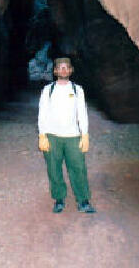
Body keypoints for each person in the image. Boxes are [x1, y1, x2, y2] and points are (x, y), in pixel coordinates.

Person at [38, 57, 96, 213]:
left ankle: (83, 200)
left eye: (66, 67)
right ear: (55, 71)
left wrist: (85, 134)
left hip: (73, 136)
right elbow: (42, 113)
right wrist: (42, 135)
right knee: (54, 169)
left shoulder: (77, 90)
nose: (63, 70)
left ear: (71, 70)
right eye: (60, 68)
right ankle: (59, 199)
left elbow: (82, 114)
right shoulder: (48, 90)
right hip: (52, 136)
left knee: (78, 168)